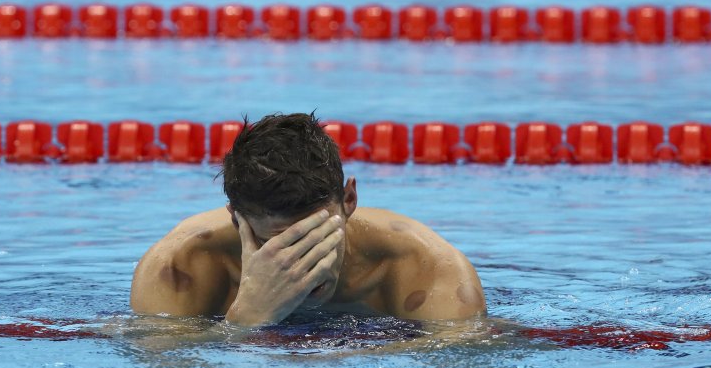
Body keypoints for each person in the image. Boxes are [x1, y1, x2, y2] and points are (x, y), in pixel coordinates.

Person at [130, 113, 487, 328]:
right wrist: (246, 318)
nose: (304, 264)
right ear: (236, 219)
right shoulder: (181, 266)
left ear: (349, 200)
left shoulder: (426, 269)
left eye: (316, 236)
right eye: (280, 243)